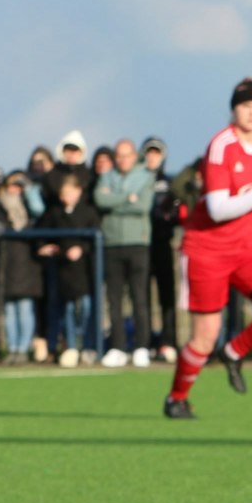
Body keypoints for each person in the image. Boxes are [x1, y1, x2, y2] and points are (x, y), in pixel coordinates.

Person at [162, 78, 252, 417]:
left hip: (247, 247)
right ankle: (176, 398)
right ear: (234, 110)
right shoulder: (221, 146)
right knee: (204, 338)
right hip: (207, 249)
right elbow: (217, 208)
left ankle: (235, 352)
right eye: (245, 106)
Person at [93, 139, 156, 368]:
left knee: (139, 297)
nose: (122, 160)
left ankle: (141, 347)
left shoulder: (146, 176)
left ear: (134, 156)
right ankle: (118, 347)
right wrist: (127, 197)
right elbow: (101, 200)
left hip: (137, 243)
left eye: (127, 155)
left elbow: (142, 206)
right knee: (114, 299)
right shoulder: (106, 176)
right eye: (119, 155)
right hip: (112, 244)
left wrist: (115, 200)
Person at [36, 173, 101, 366]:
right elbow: (41, 233)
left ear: (79, 191)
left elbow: (96, 237)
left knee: (87, 307)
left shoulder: (88, 212)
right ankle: (71, 346)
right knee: (68, 309)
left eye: (70, 193)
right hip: (63, 269)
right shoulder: (54, 213)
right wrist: (44, 247)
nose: (66, 197)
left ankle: (87, 346)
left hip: (85, 270)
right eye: (63, 194)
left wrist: (81, 248)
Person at [141, 137, 182, 363]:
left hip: (163, 244)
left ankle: (169, 342)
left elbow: (176, 212)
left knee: (167, 297)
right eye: (149, 152)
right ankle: (146, 343)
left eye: (156, 153)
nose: (152, 157)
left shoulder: (170, 183)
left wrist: (169, 217)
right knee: (142, 297)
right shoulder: (137, 180)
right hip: (141, 246)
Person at [0, 172, 41, 363]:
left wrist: (30, 190)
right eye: (12, 184)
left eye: (20, 185)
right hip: (6, 264)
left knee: (24, 309)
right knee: (9, 311)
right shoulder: (0, 207)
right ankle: (12, 348)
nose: (15, 189)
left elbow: (38, 209)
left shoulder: (30, 209)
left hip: (27, 265)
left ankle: (23, 349)